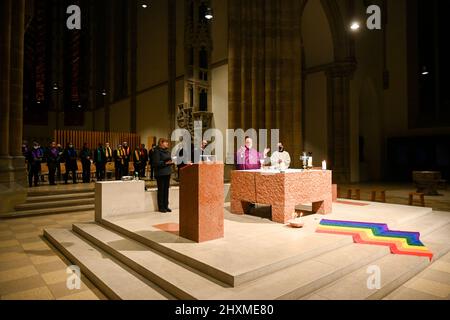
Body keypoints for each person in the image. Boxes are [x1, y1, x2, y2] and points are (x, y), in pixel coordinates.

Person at [152, 138, 173, 213]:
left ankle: (166, 206)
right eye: (166, 142)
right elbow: (156, 163)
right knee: (161, 190)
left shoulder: (167, 151)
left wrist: (171, 161)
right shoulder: (156, 151)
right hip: (160, 173)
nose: (167, 143)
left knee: (166, 190)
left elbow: (169, 160)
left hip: (167, 173)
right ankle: (161, 207)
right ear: (161, 143)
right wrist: (165, 163)